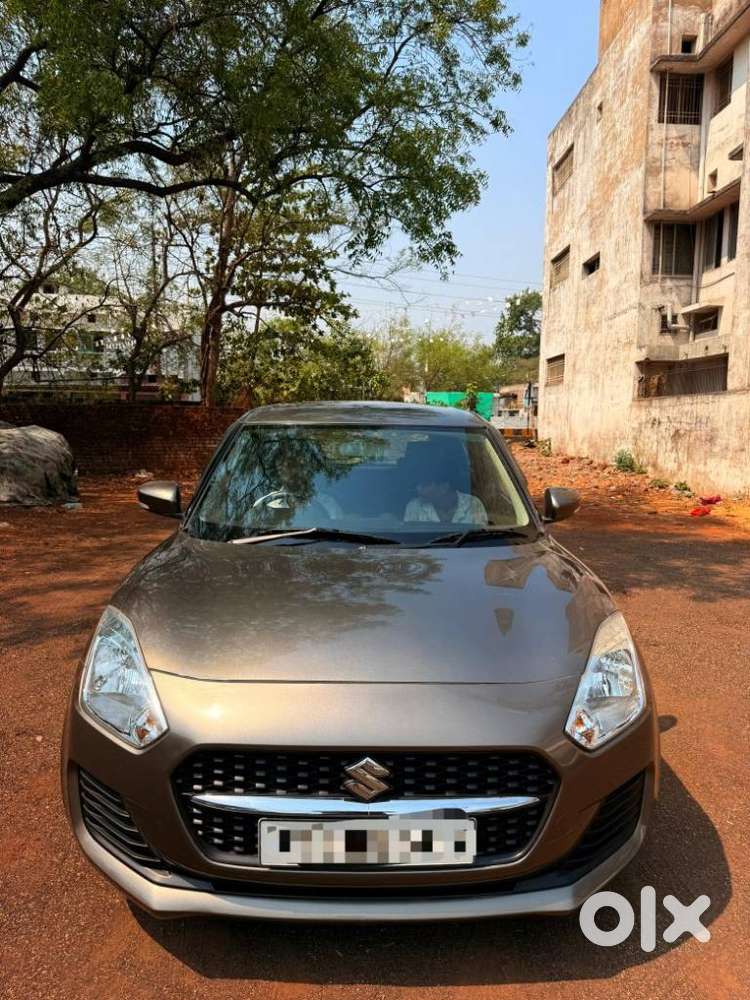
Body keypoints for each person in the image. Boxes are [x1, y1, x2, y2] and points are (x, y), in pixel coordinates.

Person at [403, 448, 488, 525]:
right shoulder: (414, 507)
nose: (419, 489)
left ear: (444, 487)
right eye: (418, 484)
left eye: (425, 485)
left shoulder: (473, 505)